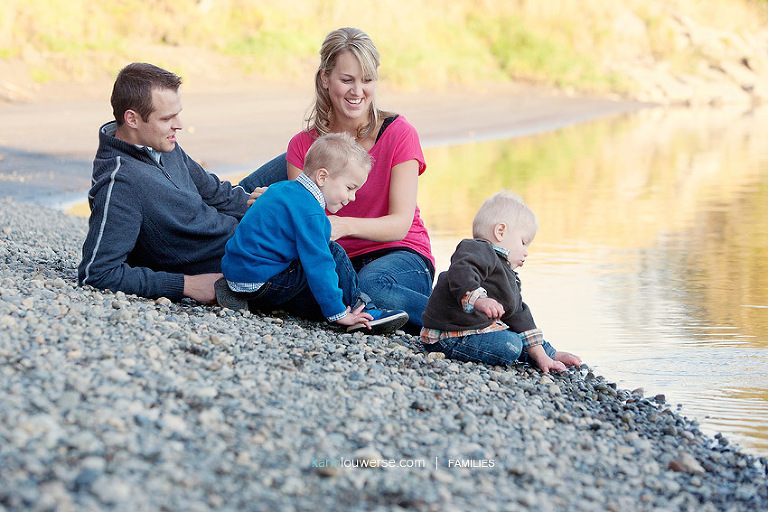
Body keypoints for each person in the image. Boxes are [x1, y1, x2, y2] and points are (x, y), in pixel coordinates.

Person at [240, 27, 435, 333]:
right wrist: (276, 201)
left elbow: (399, 223)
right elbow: (305, 219)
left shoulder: (399, 134)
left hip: (400, 254)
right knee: (292, 283)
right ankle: (365, 309)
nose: (358, 91)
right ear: (325, 79)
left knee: (373, 286)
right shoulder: (302, 146)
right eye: (347, 80)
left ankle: (461, 319)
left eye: (367, 80)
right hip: (334, 257)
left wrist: (345, 225)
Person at [78, 63, 252, 303]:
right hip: (242, 259)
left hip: (243, 231)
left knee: (298, 163)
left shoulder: (161, 145)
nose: (179, 124)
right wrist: (186, 285)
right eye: (167, 118)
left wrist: (265, 205)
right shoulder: (120, 183)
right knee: (317, 257)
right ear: (132, 119)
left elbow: (216, 193)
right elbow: (97, 272)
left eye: (178, 114)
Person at [218, 132, 409, 334]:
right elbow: (319, 264)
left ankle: (236, 293)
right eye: (349, 188)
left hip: (239, 275)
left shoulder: (279, 189)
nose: (352, 197)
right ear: (322, 176)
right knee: (332, 251)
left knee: (314, 297)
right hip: (264, 283)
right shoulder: (311, 214)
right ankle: (358, 309)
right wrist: (338, 312)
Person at [420, 192, 582, 373]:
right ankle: (531, 353)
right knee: (510, 344)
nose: (526, 252)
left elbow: (518, 316)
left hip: (475, 332)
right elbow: (462, 273)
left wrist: (545, 354)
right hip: (449, 337)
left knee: (516, 331)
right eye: (523, 242)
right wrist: (479, 300)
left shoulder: (507, 276)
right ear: (500, 231)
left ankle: (545, 354)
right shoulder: (477, 249)